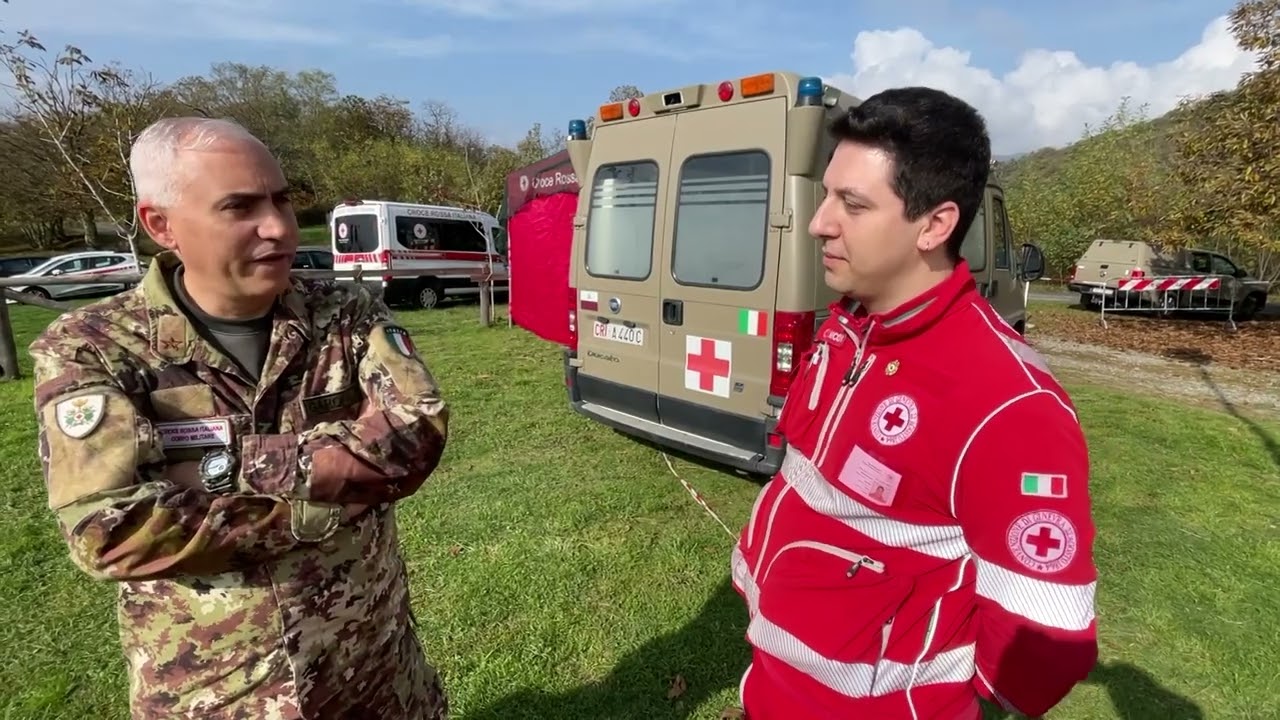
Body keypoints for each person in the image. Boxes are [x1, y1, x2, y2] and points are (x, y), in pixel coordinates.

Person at [29, 117, 451, 719]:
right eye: (239, 206)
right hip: (219, 691)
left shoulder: (343, 312)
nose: (278, 226)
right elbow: (111, 531)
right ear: (160, 225)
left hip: (373, 671)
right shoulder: (94, 346)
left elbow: (416, 435)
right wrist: (329, 496)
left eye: (281, 199)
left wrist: (226, 467)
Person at [729, 87, 1098, 719]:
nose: (819, 223)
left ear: (935, 225)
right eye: (826, 195)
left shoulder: (1009, 405)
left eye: (852, 204)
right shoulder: (849, 328)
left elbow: (1047, 644)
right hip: (776, 684)